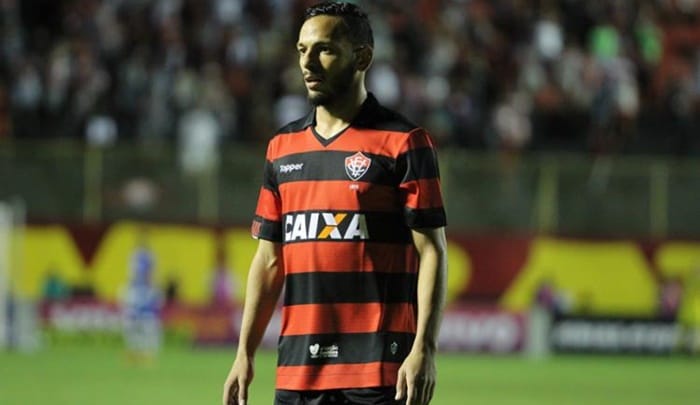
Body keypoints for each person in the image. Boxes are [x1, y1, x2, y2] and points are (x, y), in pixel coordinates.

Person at [222, 2, 448, 405]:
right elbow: (269, 261)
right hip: (298, 371)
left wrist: (424, 348)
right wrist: (245, 353)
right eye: (302, 50)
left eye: (324, 49)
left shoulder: (404, 142)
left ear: (362, 57)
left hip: (379, 370)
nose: (308, 63)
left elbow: (432, 250)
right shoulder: (282, 148)